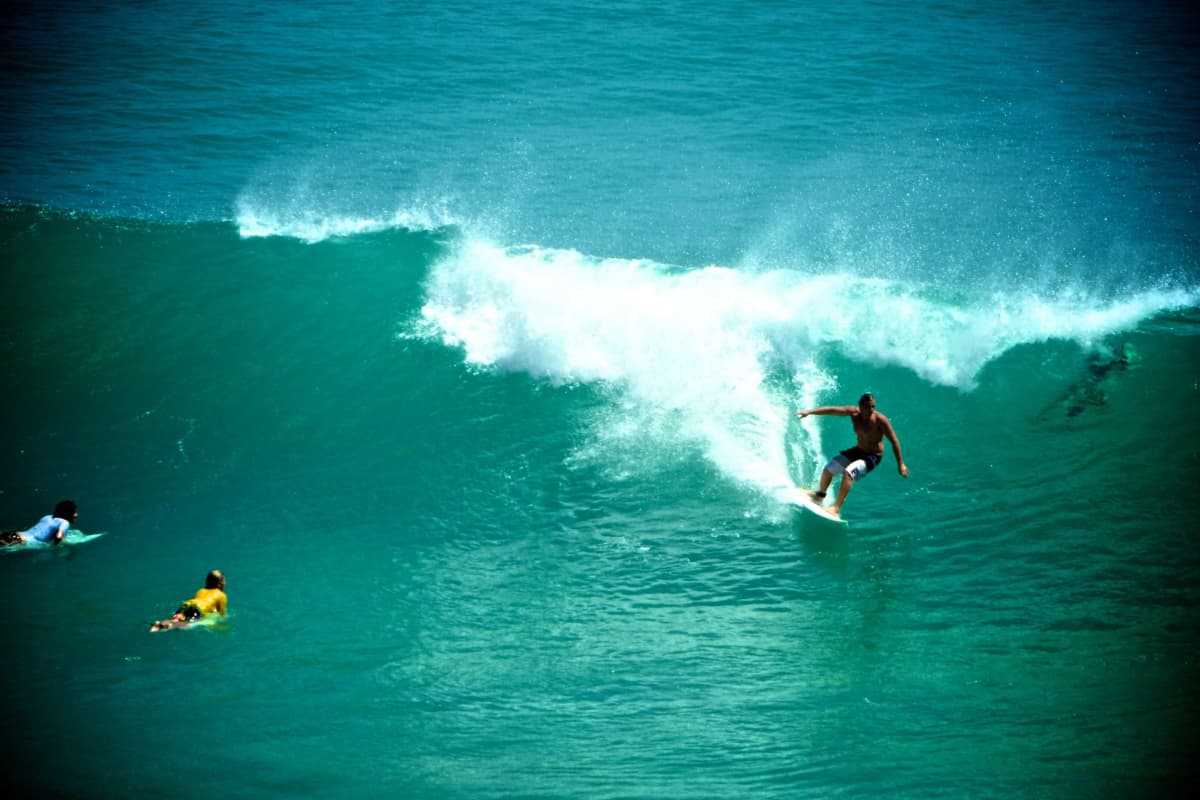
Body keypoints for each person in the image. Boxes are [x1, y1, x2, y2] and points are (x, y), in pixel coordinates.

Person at [794, 393, 908, 518]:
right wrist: (809, 412)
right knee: (829, 470)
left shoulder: (880, 420)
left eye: (873, 407)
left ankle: (836, 508)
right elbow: (832, 410)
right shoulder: (853, 413)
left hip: (873, 456)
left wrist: (900, 464)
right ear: (860, 406)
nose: (871, 410)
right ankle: (819, 495)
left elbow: (894, 441)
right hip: (858, 450)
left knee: (849, 473)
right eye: (868, 407)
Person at [150, 570, 228, 631]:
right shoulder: (222, 595)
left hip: (186, 604)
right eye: (224, 581)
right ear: (220, 584)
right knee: (186, 625)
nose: (225, 583)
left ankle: (160, 623)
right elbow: (222, 615)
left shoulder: (201, 590)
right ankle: (168, 625)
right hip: (197, 610)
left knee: (177, 618)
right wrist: (221, 625)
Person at [0, 500, 78, 547]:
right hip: (21, 541)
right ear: (68, 513)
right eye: (74, 512)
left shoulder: (47, 517)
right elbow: (58, 536)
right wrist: (55, 547)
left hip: (15, 535)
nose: (76, 515)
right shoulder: (65, 522)